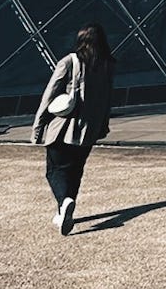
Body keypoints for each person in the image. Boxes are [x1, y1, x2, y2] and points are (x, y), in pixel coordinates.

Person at [31, 22, 115, 235]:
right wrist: (103, 125)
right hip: (89, 130)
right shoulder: (107, 65)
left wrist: (38, 127)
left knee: (54, 170)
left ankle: (64, 201)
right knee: (75, 171)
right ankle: (65, 211)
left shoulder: (69, 61)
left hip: (63, 128)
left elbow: (48, 96)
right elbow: (107, 99)